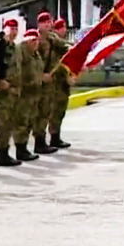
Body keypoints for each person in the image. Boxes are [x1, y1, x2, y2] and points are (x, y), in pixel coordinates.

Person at [0, 19, 21, 167]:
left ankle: (6, 152)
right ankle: (1, 153)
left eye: (16, 28)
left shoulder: (15, 48)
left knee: (9, 123)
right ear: (5, 29)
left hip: (14, 91)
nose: (14, 31)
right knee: (3, 123)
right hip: (4, 90)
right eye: (11, 28)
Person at [12, 29, 43, 162]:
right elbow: (17, 71)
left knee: (29, 121)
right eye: (32, 41)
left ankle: (24, 148)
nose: (35, 43)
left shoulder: (35, 54)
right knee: (21, 122)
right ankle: (20, 149)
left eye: (37, 41)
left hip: (34, 93)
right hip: (24, 92)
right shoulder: (21, 52)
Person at [31, 12, 58, 155]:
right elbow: (31, 61)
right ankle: (38, 141)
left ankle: (42, 141)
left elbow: (65, 47)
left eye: (49, 22)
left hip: (49, 81)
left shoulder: (52, 38)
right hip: (38, 82)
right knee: (39, 112)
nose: (47, 25)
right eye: (44, 22)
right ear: (39, 24)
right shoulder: (36, 39)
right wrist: (41, 76)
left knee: (46, 110)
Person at [47, 17, 74, 149]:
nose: (63, 30)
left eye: (63, 27)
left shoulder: (63, 44)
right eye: (60, 28)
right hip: (55, 83)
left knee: (60, 111)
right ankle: (53, 136)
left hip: (63, 82)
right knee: (54, 111)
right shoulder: (52, 43)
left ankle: (56, 137)